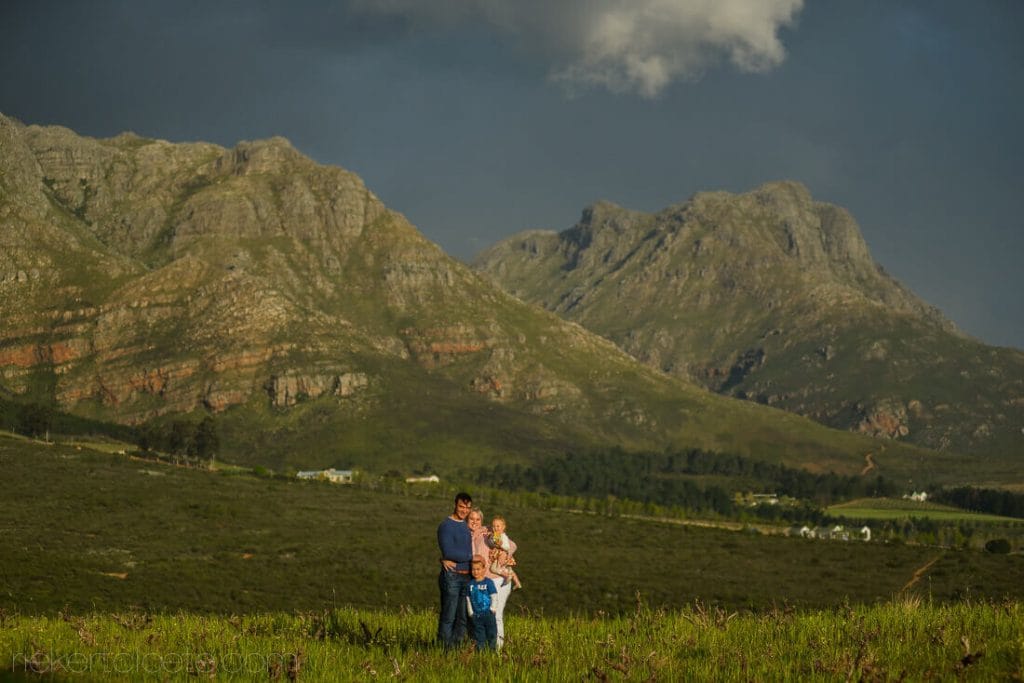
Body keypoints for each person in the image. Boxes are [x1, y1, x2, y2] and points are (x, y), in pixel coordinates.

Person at [468, 507, 516, 649]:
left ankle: (497, 649)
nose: (475, 522)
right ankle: (482, 647)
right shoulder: (467, 535)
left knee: (496, 614)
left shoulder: (488, 531)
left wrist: (503, 555)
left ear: (482, 521)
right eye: (471, 519)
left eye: (478, 519)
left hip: (497, 579)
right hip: (480, 581)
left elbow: (512, 545)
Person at [437, 492, 473, 649]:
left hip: (467, 576)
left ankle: (455, 649)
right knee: (448, 616)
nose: (464, 510)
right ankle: (442, 649)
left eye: (467, 508)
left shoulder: (467, 525)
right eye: (461, 506)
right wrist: (472, 556)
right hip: (452, 576)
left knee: (462, 618)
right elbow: (449, 552)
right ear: (455, 505)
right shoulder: (446, 526)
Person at [466, 554, 498, 651]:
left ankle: (492, 652)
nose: (476, 572)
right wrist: (470, 613)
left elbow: (494, 596)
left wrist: (492, 609)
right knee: (479, 636)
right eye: (473, 569)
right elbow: (468, 599)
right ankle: (481, 653)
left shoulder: (488, 582)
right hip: (477, 615)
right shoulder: (470, 584)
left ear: (484, 569)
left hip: (488, 614)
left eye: (478, 569)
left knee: (492, 634)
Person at [486, 516, 522, 590]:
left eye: (498, 526)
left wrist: (500, 545)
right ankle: (517, 583)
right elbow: (491, 543)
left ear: (503, 527)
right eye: (493, 526)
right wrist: (490, 538)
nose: (495, 528)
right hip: (499, 554)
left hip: (501, 555)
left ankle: (506, 576)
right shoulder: (495, 535)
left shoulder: (503, 536)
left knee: (493, 569)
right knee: (510, 569)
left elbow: (507, 547)